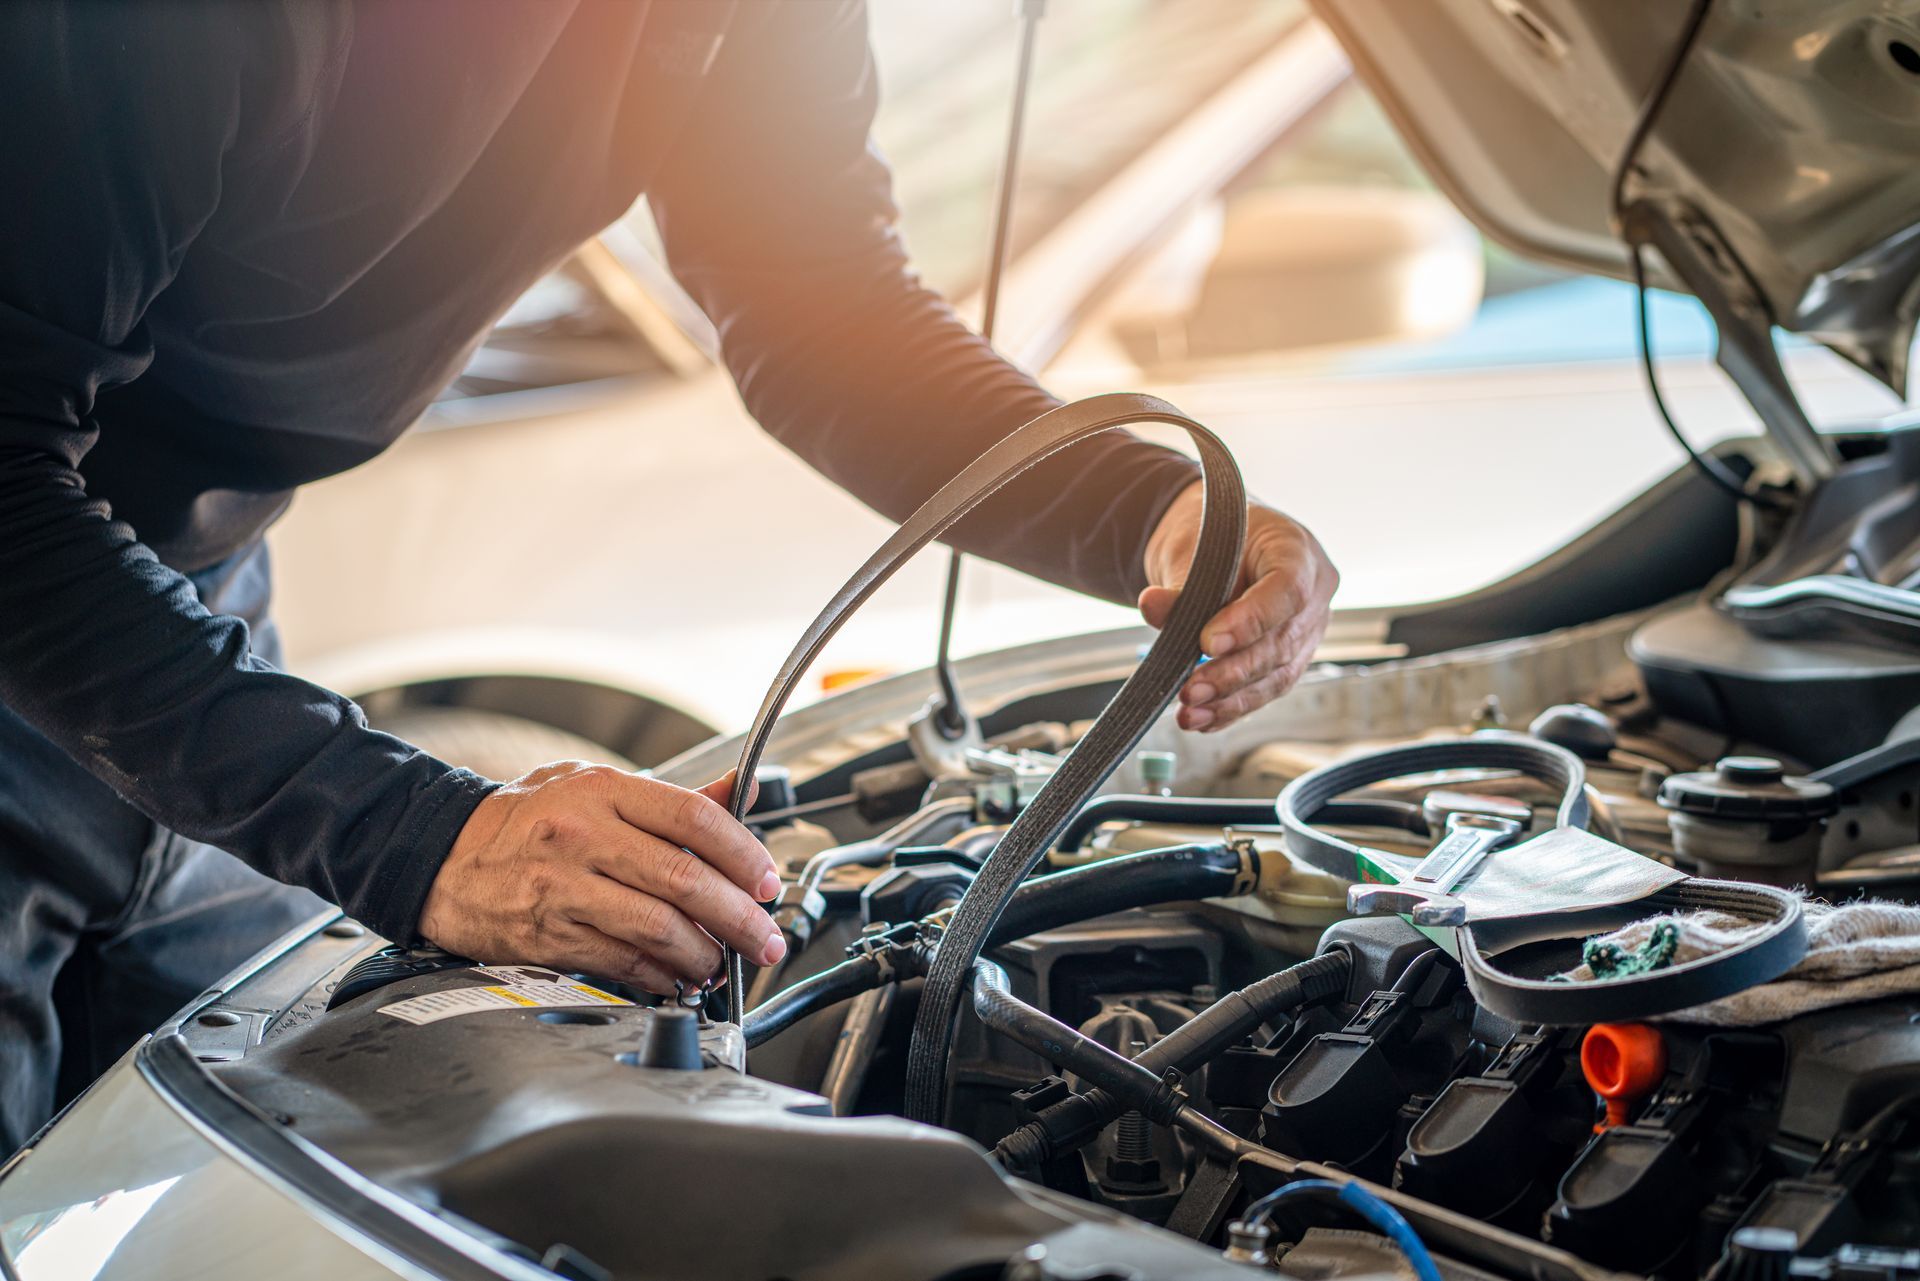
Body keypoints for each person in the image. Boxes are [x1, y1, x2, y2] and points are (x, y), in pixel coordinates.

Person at [0, 0, 1337, 1152]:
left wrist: (1154, 509)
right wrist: (418, 836)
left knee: (192, 1191)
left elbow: (815, 297)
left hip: (177, 611)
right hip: (43, 599)